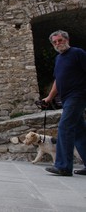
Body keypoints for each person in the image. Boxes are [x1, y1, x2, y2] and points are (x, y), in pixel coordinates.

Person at [42, 30, 86, 176]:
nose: (58, 44)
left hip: (78, 95)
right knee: (79, 132)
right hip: (66, 98)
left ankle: (63, 166)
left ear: (67, 39)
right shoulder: (58, 59)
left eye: (60, 40)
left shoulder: (77, 53)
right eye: (54, 42)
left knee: (65, 127)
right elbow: (57, 80)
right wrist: (49, 98)